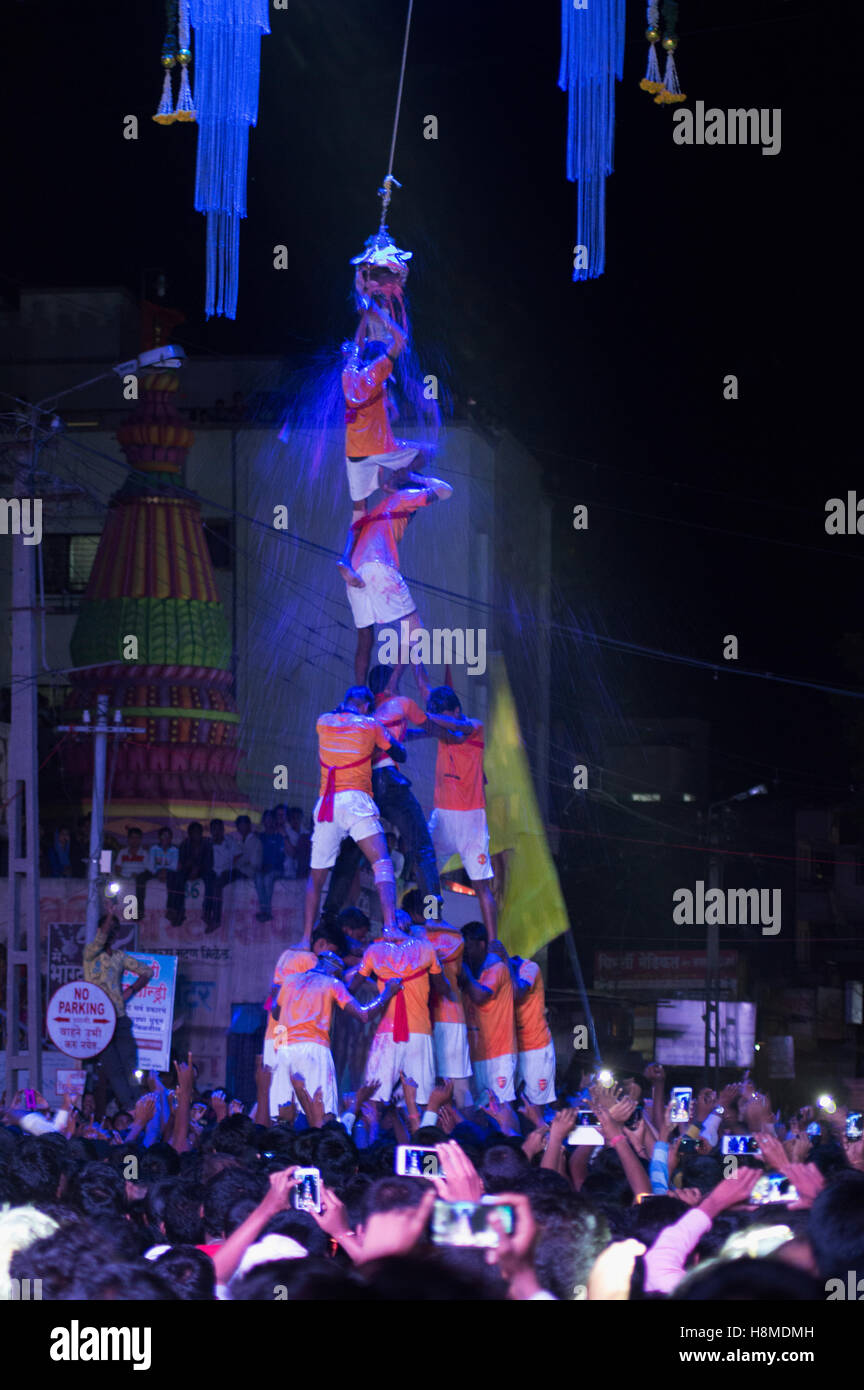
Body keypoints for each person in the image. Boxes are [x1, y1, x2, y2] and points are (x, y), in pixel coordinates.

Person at [304, 685, 406, 940]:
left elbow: (341, 724)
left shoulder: (323, 721)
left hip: (327, 805)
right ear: (366, 707)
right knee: (382, 862)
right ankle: (391, 927)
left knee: (316, 876)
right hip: (356, 801)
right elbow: (399, 753)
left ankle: (305, 938)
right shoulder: (370, 725)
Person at [341, 461, 453, 686]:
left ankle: (359, 691)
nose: (393, 473)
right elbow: (446, 491)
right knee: (413, 628)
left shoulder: (379, 510)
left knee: (365, 637)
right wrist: (415, 477)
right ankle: (399, 685)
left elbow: (353, 531)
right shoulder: (403, 498)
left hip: (356, 570)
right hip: (380, 567)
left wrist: (344, 562)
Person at [270, 952, 401, 1119]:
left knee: (281, 1116)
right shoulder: (332, 983)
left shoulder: (289, 981)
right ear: (336, 972)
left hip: (284, 1052)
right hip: (315, 1051)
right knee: (323, 1115)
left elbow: (275, 1014)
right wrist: (387, 993)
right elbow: (364, 1015)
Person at [347, 910, 452, 1110]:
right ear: (408, 928)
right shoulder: (426, 949)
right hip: (419, 1034)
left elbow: (351, 988)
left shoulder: (374, 951)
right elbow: (444, 989)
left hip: (387, 1035)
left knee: (374, 1098)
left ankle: (373, 1137)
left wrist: (378, 981)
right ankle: (420, 1136)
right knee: (422, 1099)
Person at [426, 685, 498, 942]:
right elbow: (425, 689)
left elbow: (436, 720)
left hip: (471, 820)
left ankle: (493, 943)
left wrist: (424, 717)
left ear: (456, 711)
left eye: (445, 715)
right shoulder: (442, 727)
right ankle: (431, 920)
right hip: (442, 815)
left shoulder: (474, 726)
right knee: (422, 862)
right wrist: (413, 660)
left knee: (481, 886)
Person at [402, 888, 473, 1106]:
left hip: (420, 1021)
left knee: (418, 1089)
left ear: (411, 911)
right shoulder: (453, 936)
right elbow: (459, 972)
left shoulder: (408, 937)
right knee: (459, 1087)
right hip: (449, 1017)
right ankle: (466, 1136)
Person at [82, 912, 154, 1111]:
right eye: (107, 929)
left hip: (119, 1017)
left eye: (114, 930)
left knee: (131, 1064)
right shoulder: (90, 954)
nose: (110, 933)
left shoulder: (120, 957)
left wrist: (131, 990)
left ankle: (139, 1104)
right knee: (113, 1068)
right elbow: (101, 937)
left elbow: (147, 971)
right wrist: (110, 913)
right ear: (100, 931)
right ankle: (130, 1107)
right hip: (98, 1020)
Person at [460, 920, 518, 1131]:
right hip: (479, 1054)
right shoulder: (476, 973)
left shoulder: (498, 968)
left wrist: (463, 971)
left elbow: (480, 996)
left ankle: (514, 1149)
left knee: (503, 1107)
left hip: (500, 1053)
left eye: (468, 946)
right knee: (483, 1110)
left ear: (482, 944)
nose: (465, 951)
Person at [510, 954, 557, 1105]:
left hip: (536, 1047)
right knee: (508, 1104)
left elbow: (518, 991)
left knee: (536, 1105)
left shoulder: (529, 967)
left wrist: (503, 961)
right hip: (512, 1048)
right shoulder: (496, 969)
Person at [166, 823, 213, 927]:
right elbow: (182, 861)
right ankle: (176, 910)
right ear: (189, 834)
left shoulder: (207, 843)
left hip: (204, 870)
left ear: (201, 833)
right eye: (193, 832)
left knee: (210, 879)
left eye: (198, 832)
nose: (196, 834)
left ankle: (207, 912)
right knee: (176, 876)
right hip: (188, 869)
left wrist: (197, 868)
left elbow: (209, 862)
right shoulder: (185, 844)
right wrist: (190, 866)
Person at [203, 818, 237, 932]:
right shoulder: (208, 843)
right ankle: (206, 914)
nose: (217, 831)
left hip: (228, 871)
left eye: (219, 829)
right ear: (211, 831)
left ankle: (216, 920)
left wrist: (230, 867)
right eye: (214, 829)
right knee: (209, 882)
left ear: (223, 830)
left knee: (217, 886)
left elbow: (238, 856)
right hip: (213, 872)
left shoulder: (230, 841)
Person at [255, 809, 285, 922]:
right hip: (262, 869)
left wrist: (270, 866)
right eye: (266, 819)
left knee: (268, 878)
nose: (269, 821)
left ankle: (266, 911)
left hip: (277, 870)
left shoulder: (279, 837)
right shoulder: (260, 837)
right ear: (263, 821)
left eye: (271, 819)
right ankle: (264, 910)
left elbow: (281, 857)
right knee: (258, 877)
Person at [114, 827, 149, 919]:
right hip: (123, 881)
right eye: (132, 838)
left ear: (140, 839)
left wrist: (138, 875)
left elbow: (148, 870)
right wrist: (120, 876)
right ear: (128, 839)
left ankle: (138, 912)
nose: (135, 840)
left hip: (138, 881)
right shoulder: (122, 852)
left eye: (137, 838)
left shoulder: (144, 853)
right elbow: (117, 868)